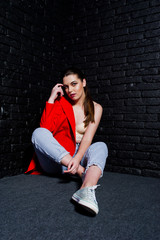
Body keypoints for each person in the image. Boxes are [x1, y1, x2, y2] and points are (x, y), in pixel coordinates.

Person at [26, 67, 108, 215]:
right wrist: (51, 99)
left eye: (74, 84)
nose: (70, 90)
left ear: (83, 82)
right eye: (66, 86)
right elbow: (45, 130)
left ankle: (86, 190)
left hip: (80, 156)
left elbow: (88, 138)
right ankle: (83, 173)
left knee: (101, 146)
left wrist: (77, 158)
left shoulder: (96, 107)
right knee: (38, 133)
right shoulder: (61, 103)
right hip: (57, 160)